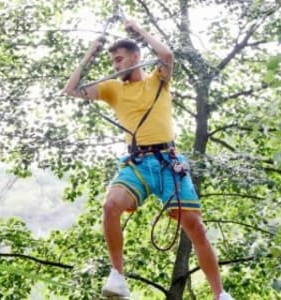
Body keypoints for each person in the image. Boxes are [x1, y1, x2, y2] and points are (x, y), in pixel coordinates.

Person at [63, 19, 233, 300]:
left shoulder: (157, 80)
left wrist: (138, 31)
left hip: (169, 161)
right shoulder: (111, 89)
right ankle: (118, 276)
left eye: (119, 60)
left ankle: (220, 294)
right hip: (137, 163)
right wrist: (89, 56)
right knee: (111, 205)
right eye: (113, 62)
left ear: (136, 57)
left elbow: (167, 56)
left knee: (196, 227)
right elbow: (70, 90)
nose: (116, 66)